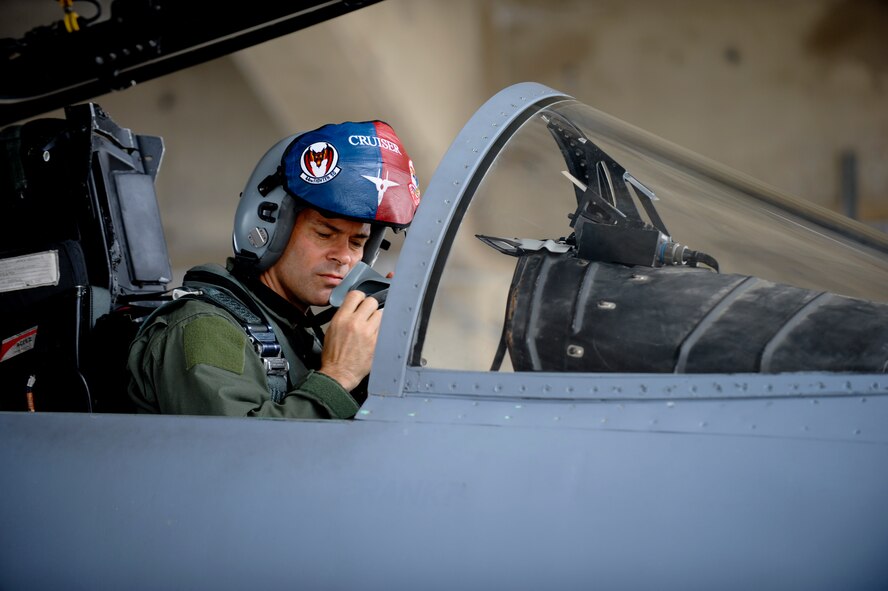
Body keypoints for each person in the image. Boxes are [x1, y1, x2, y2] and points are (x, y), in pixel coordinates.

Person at [127, 121, 421, 418]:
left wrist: (380, 358)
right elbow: (235, 457)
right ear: (270, 227)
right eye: (324, 234)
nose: (344, 257)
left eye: (357, 242)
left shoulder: (299, 334)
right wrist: (339, 374)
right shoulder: (204, 328)